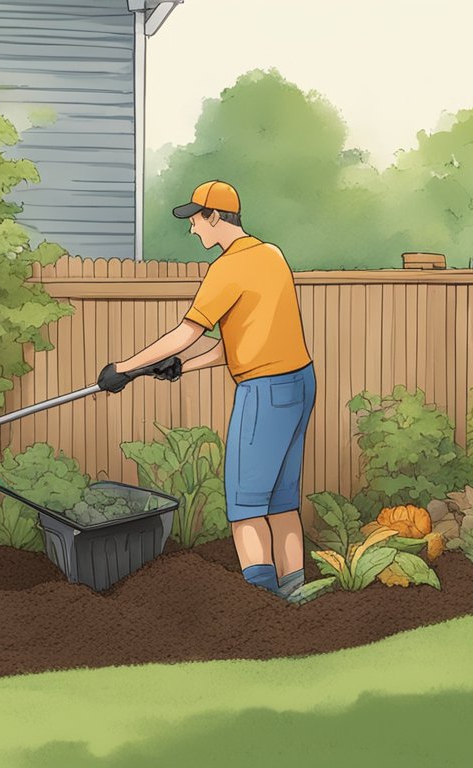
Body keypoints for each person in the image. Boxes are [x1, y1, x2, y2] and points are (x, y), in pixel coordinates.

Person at [98, 180, 316, 599]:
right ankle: (295, 596)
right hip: (298, 383)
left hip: (263, 392)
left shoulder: (228, 267)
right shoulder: (271, 255)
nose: (193, 230)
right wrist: (183, 368)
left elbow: (186, 332)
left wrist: (124, 369)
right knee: (281, 501)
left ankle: (262, 604)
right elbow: (240, 342)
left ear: (215, 217)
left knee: (246, 506)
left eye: (196, 220)